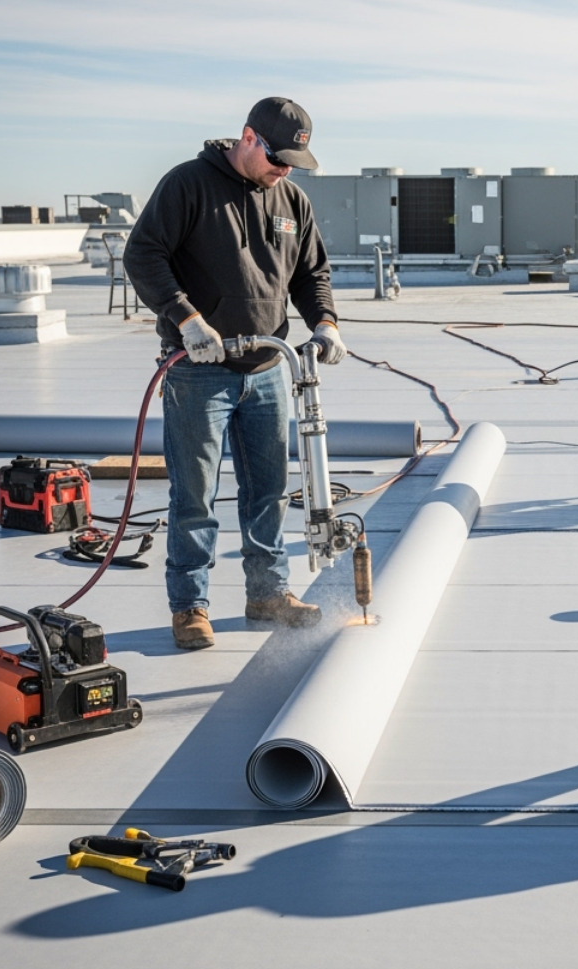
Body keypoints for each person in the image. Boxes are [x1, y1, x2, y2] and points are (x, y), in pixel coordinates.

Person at [125, 97, 346, 650]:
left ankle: (268, 594)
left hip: (268, 368)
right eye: (278, 158)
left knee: (269, 491)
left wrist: (325, 322)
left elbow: (311, 273)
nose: (285, 171)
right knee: (195, 496)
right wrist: (187, 319)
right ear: (249, 138)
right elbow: (143, 254)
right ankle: (190, 606)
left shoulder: (291, 199)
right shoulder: (188, 185)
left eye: (294, 162)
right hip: (199, 371)